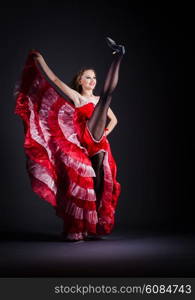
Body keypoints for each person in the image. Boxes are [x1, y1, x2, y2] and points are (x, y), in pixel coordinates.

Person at [14, 37, 125, 241]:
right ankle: (119, 56)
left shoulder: (98, 101)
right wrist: (40, 61)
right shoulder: (77, 97)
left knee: (96, 187)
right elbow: (55, 81)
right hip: (85, 140)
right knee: (107, 96)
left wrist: (105, 133)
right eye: (88, 78)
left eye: (94, 78)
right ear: (80, 81)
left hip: (99, 144)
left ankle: (88, 227)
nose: (92, 81)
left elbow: (114, 120)